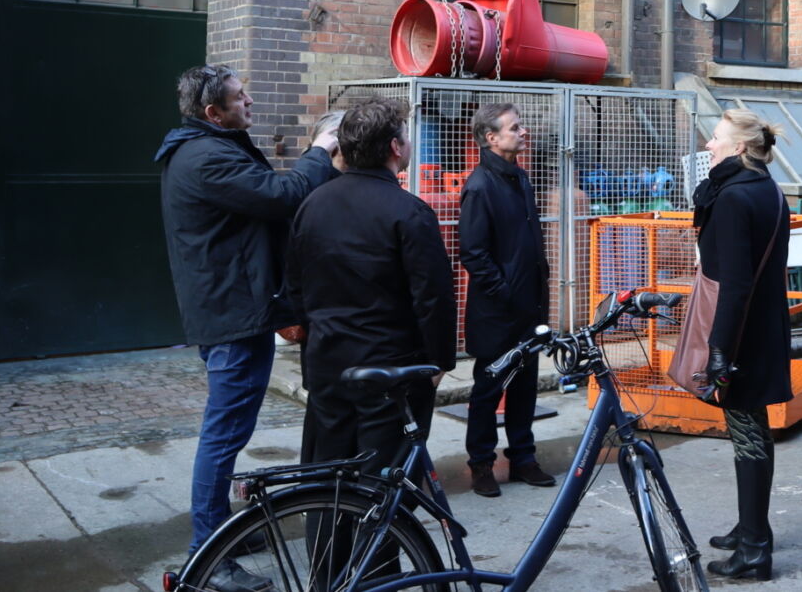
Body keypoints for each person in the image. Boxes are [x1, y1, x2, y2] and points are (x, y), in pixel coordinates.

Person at [155, 64, 338, 590]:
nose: (250, 102)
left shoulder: (208, 147)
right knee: (223, 435)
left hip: (234, 308)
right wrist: (322, 149)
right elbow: (283, 196)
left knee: (228, 434)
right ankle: (207, 558)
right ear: (213, 113)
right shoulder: (206, 156)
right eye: (240, 98)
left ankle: (218, 532)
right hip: (232, 316)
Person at [286, 96, 458, 477]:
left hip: (328, 364)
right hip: (390, 373)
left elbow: (296, 285)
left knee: (325, 482)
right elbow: (433, 298)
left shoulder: (312, 204)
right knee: (384, 488)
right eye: (406, 138)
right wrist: (440, 360)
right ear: (395, 148)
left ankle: (328, 540)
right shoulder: (410, 212)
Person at [693, 109, 792, 582]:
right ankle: (751, 526)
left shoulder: (733, 199)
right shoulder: (767, 188)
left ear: (737, 149)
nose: (708, 146)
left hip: (742, 334)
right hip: (762, 327)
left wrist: (719, 349)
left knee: (749, 434)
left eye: (714, 139)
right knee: (751, 431)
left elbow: (732, 284)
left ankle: (755, 549)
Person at [456, 102, 556, 496]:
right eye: (514, 127)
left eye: (521, 125)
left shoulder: (520, 178)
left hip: (527, 308)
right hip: (497, 311)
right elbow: (473, 253)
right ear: (490, 137)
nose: (523, 131)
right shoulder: (480, 186)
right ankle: (481, 463)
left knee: (525, 384)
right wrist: (505, 294)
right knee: (488, 387)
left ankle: (523, 458)